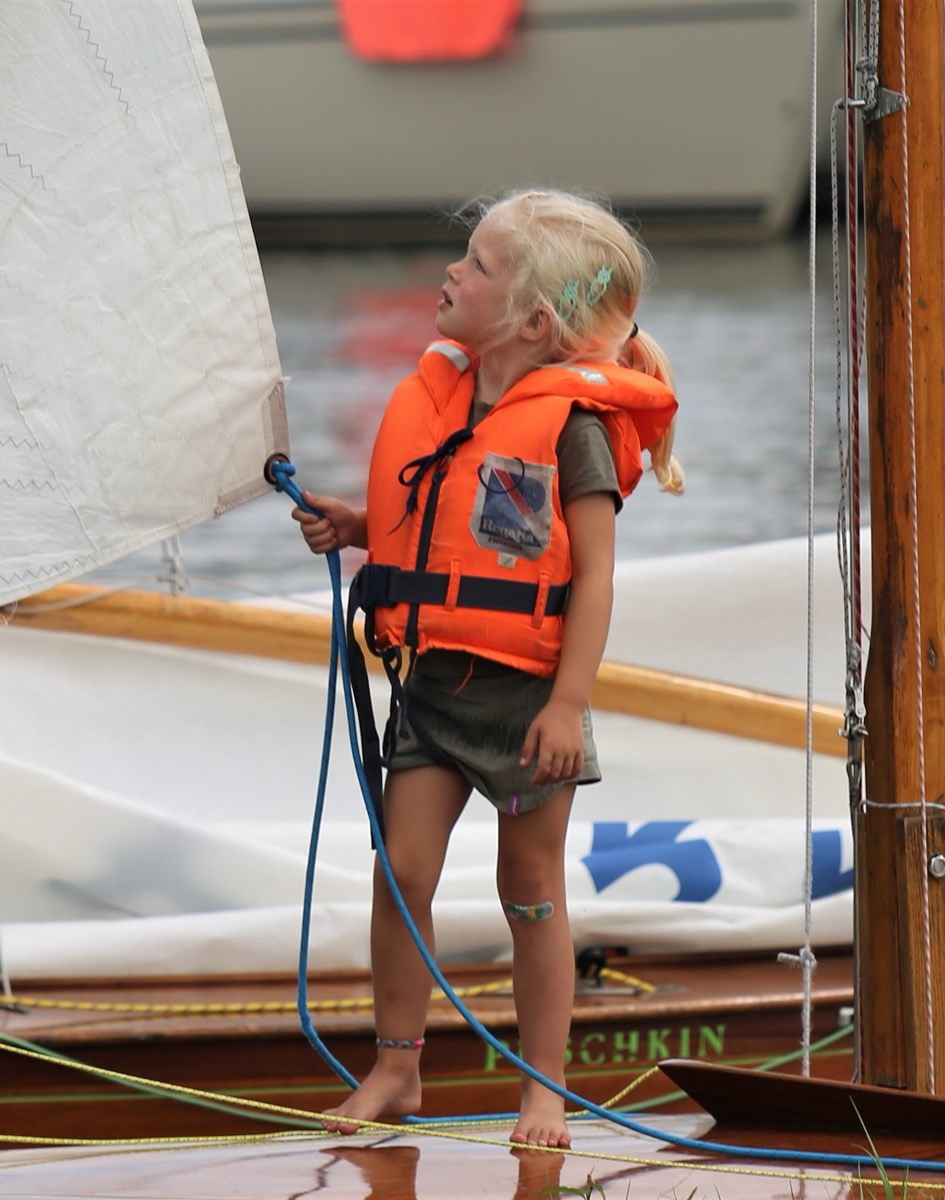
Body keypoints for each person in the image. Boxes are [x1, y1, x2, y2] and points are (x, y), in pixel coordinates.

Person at [292, 189, 683, 1149]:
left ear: (532, 321)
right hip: (433, 685)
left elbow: (592, 580)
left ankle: (543, 1091)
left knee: (529, 892)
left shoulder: (572, 428)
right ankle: (397, 1069)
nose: (452, 273)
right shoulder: (448, 401)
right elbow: (445, 526)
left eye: (476, 265)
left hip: (529, 701)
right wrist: (360, 527)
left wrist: (568, 705)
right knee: (401, 873)